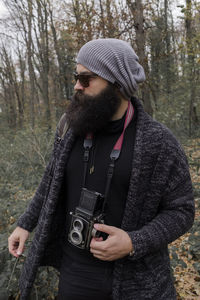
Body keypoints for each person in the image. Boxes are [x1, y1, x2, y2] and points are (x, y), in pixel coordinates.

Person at [8, 39, 194, 300]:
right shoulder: (70, 128)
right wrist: (26, 224)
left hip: (136, 281)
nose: (76, 86)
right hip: (74, 273)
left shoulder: (158, 142)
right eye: (76, 77)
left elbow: (182, 210)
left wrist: (134, 242)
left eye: (86, 79)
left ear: (116, 84)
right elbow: (51, 179)